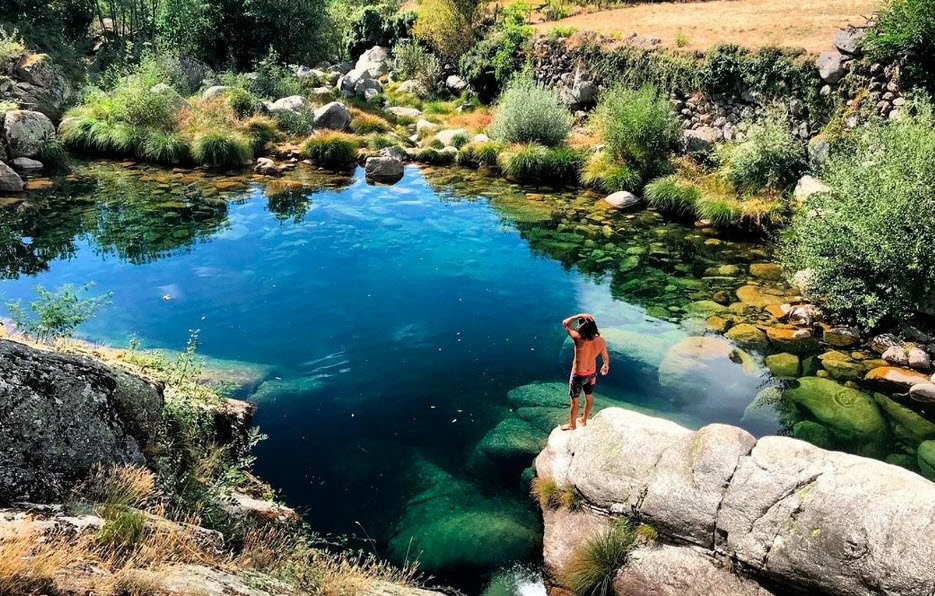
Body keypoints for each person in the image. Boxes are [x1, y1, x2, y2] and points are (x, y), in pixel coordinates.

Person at [561, 313, 609, 430]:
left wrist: (579, 315)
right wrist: (605, 365)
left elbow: (565, 323)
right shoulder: (601, 340)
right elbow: (605, 356)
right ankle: (584, 420)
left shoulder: (578, 339)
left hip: (578, 375)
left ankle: (572, 424)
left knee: (574, 400)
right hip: (591, 374)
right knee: (589, 396)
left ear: (581, 326)